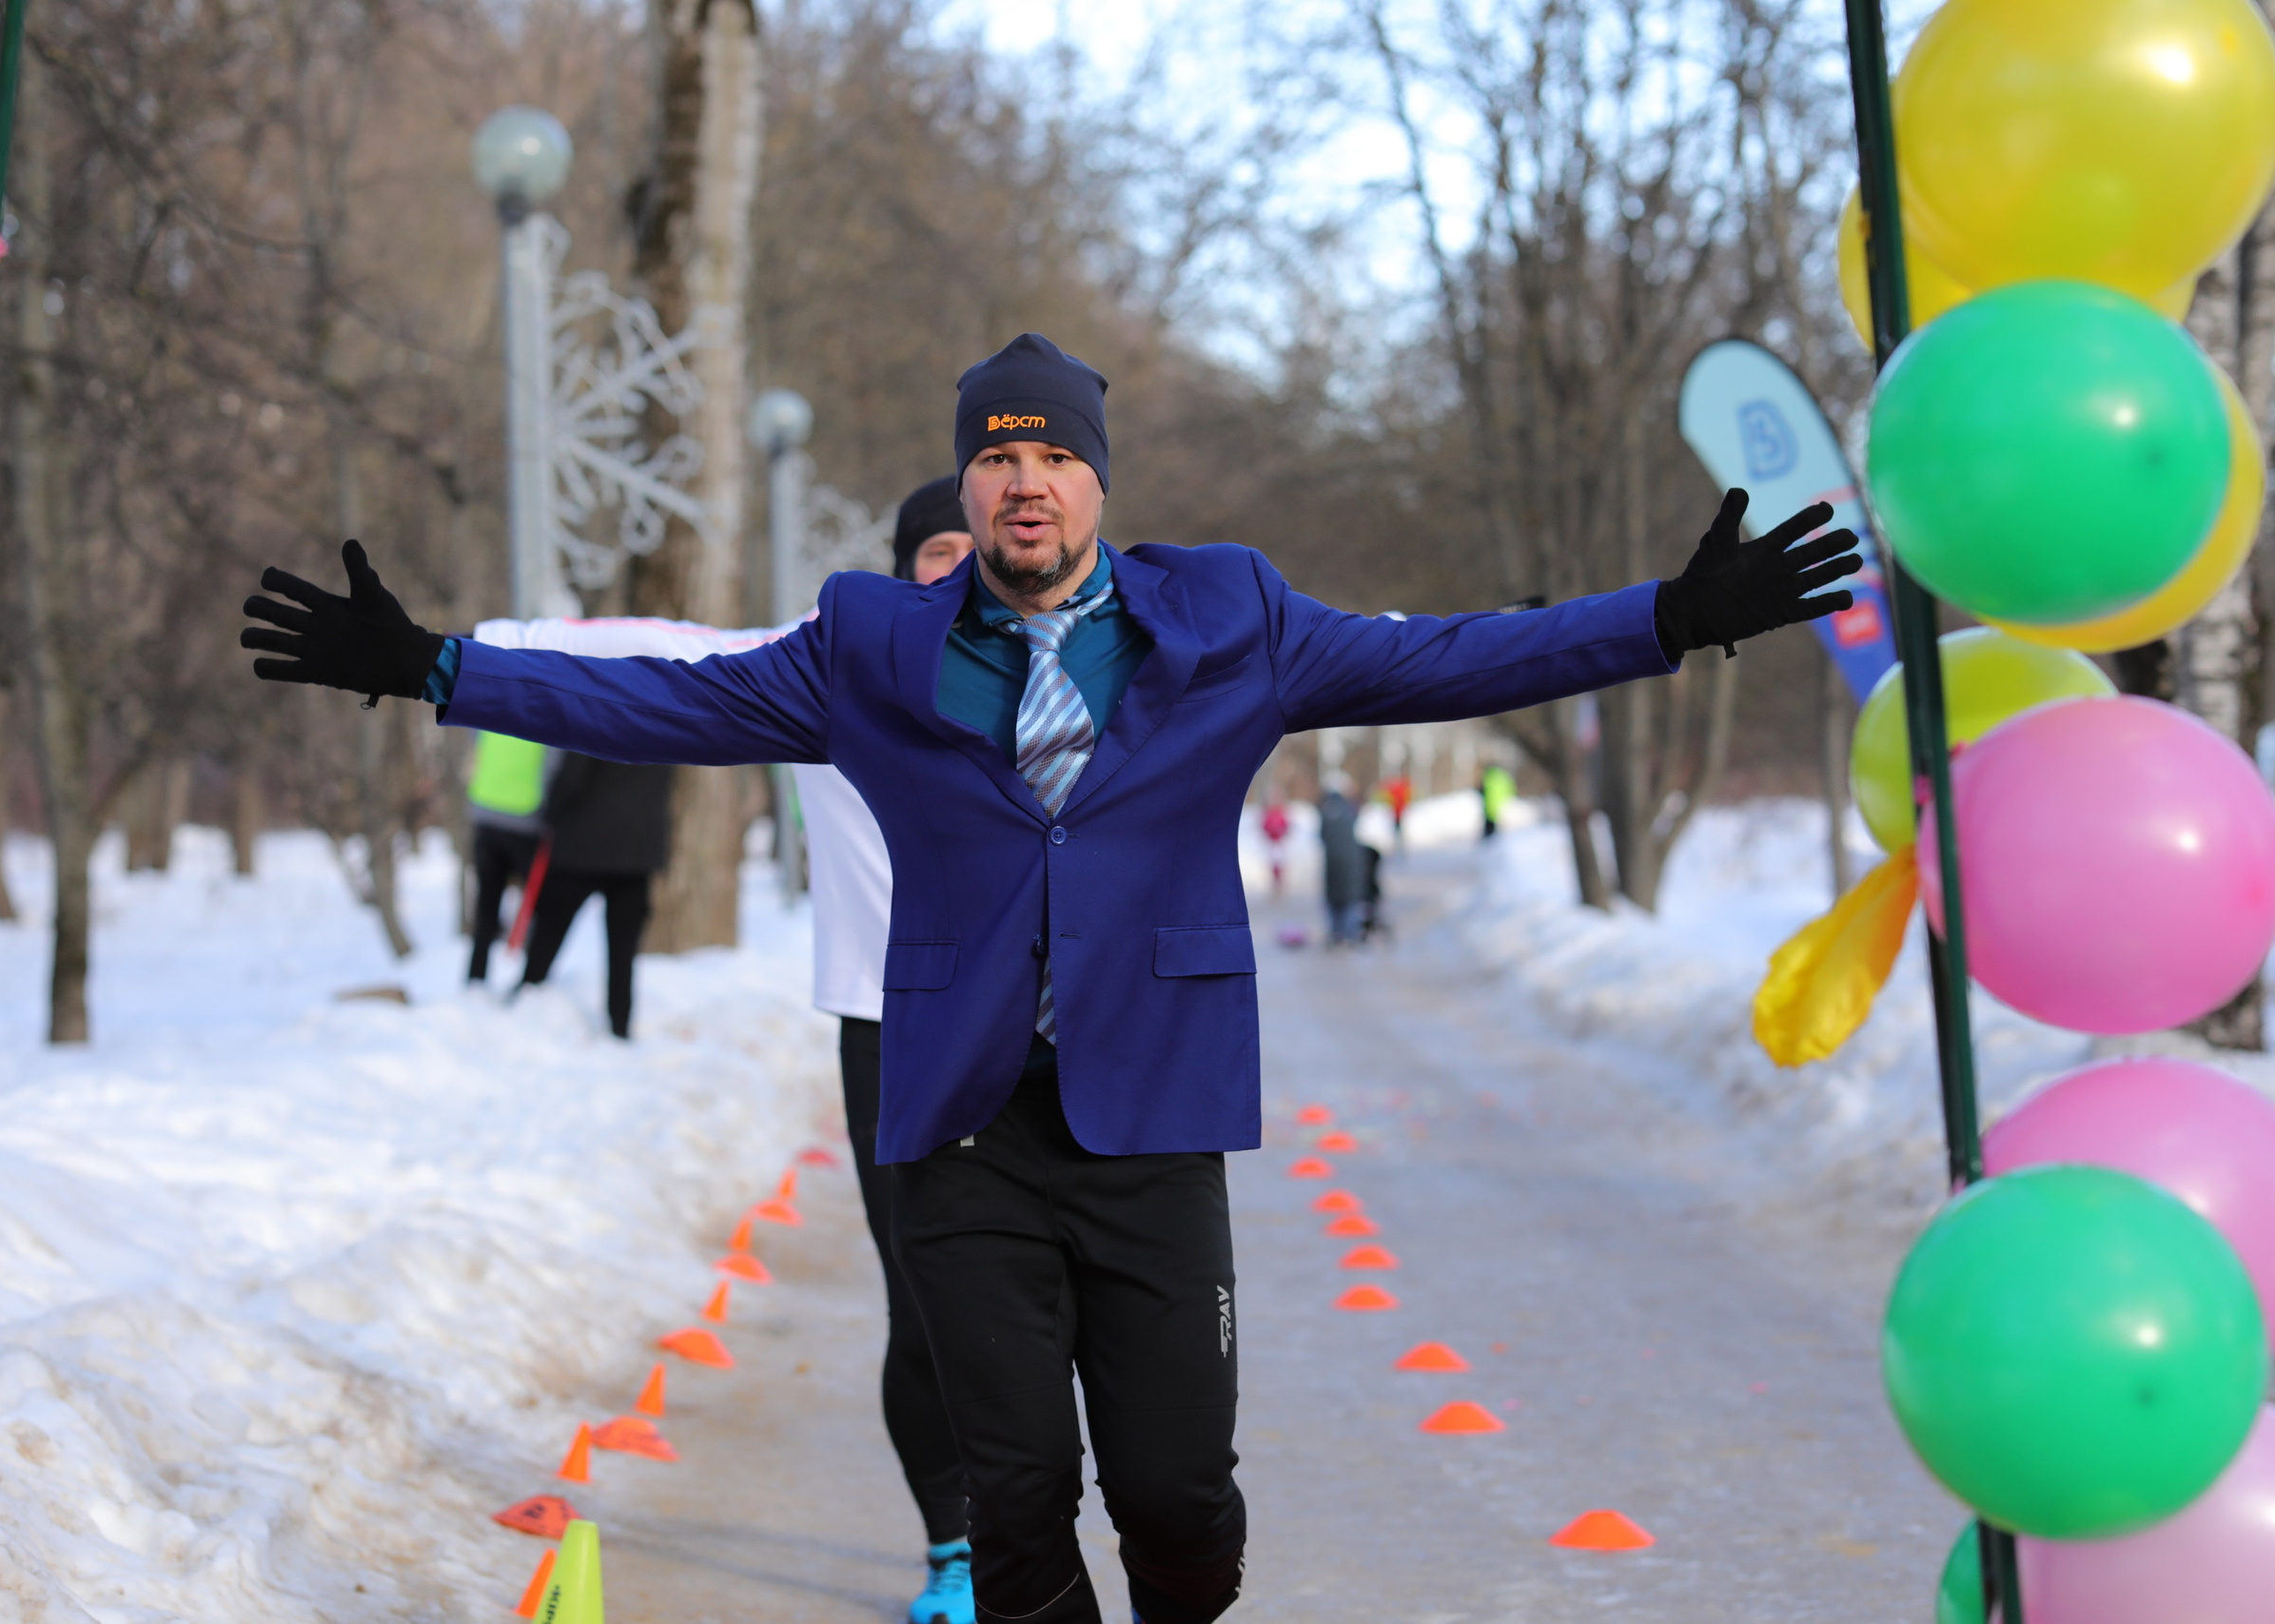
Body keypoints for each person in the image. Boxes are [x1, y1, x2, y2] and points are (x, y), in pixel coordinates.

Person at [243, 330, 1859, 1623]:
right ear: (969, 478)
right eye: (999, 457)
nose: (1027, 483)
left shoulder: (1230, 618)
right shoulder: (872, 643)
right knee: (1014, 1500)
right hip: (961, 1115)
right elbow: (668, 700)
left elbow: (1448, 654)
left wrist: (1668, 617)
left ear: (1097, 478)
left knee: (1176, 1498)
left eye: (1055, 457)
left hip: (1152, 1108)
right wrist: (438, 667)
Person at [449, 476, 982, 1624]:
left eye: (973, 547)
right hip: (890, 1028)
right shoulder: (836, 664)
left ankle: (1052, 1533)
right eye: (936, 549)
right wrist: (488, 646)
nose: (956, 567)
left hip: (1038, 1033)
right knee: (929, 1303)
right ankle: (957, 1551)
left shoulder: (1065, 667)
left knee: (1045, 1303)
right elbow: (666, 646)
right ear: (902, 568)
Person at [515, 750, 672, 1039]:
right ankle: (620, 1026)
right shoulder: (667, 728)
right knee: (623, 950)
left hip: (582, 845)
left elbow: (571, 776)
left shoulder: (602, 720)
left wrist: (549, 815)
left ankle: (524, 1000)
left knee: (549, 932)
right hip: (637, 849)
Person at [464, 731, 553, 984]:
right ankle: (531, 982)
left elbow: (475, 745)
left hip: (486, 810)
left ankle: (476, 978)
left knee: (486, 905)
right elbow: (554, 765)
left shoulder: (492, 710)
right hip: (527, 819)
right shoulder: (549, 717)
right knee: (540, 906)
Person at [1317, 773, 1364, 947]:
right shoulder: (1350, 807)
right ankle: (1350, 933)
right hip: (1350, 861)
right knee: (1349, 898)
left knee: (1333, 898)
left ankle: (1335, 932)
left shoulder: (1325, 809)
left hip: (1332, 862)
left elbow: (1322, 836)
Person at [1258, 798, 1289, 897]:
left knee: (1280, 865)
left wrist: (1280, 831)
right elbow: (1264, 826)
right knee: (1273, 865)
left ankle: (1279, 885)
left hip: (1279, 842)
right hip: (1271, 843)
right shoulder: (1269, 815)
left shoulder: (1281, 814)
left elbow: (1286, 826)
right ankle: (1274, 885)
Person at [1479, 761, 1517, 840]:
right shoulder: (1502, 778)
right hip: (1499, 806)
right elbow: (1511, 790)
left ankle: (1489, 840)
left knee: (1489, 826)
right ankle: (1493, 840)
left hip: (1489, 806)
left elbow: (1482, 791)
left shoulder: (1488, 778)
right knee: (1497, 825)